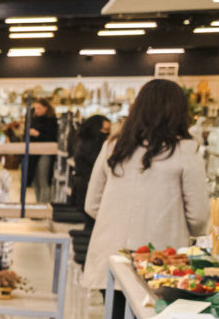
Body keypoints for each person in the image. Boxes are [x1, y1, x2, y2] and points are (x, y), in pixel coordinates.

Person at [83, 79, 207, 289]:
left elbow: (91, 204)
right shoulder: (186, 150)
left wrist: (116, 219)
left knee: (115, 318)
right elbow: (198, 216)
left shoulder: (114, 146)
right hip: (160, 261)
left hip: (111, 254)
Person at [69, 114, 110, 219]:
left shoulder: (82, 141)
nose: (107, 133)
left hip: (81, 186)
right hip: (86, 188)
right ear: (96, 129)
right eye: (105, 130)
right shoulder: (91, 145)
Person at [24, 98, 59, 202]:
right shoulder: (33, 119)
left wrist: (38, 134)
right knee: (36, 181)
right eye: (35, 108)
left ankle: (44, 206)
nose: (36, 110)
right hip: (33, 153)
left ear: (46, 108)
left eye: (39, 108)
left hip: (46, 152)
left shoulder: (51, 120)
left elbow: (53, 137)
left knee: (43, 179)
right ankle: (38, 205)